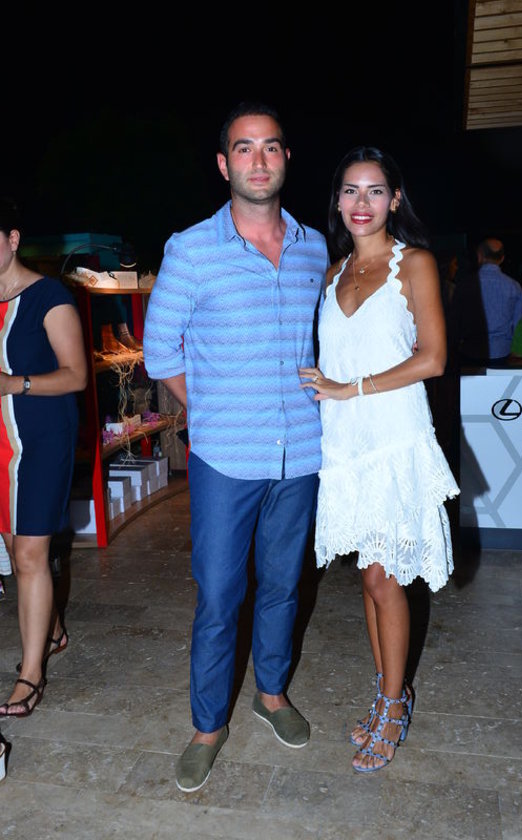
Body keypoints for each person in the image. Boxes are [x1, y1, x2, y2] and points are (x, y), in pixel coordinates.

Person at [143, 102, 328, 793]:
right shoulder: (191, 249)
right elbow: (161, 351)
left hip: (301, 452)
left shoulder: (314, 247)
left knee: (283, 586)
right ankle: (206, 726)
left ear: (285, 159)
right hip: (225, 458)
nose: (258, 160)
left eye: (270, 147)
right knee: (221, 596)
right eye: (244, 148)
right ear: (224, 164)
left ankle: (270, 694)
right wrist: (214, 410)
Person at [300, 146, 459, 774]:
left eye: (373, 191)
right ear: (337, 201)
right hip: (345, 445)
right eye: (350, 190)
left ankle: (393, 705)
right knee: (369, 579)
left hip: (393, 438)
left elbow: (433, 358)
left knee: (384, 579)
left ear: (394, 199)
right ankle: (387, 689)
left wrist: (351, 389)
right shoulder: (331, 273)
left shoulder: (413, 263)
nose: (360, 203)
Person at [0, 197, 87, 717]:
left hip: (42, 441)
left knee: (31, 555)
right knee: (17, 552)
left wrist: (15, 384)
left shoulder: (48, 296)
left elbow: (76, 375)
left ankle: (30, 674)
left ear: (12, 240)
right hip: (0, 445)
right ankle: (51, 629)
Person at [448, 237, 522, 367]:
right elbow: (519, 325)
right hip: (503, 351)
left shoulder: (465, 285)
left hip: (470, 350)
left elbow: (454, 323)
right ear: (502, 258)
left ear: (479, 256)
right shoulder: (514, 286)